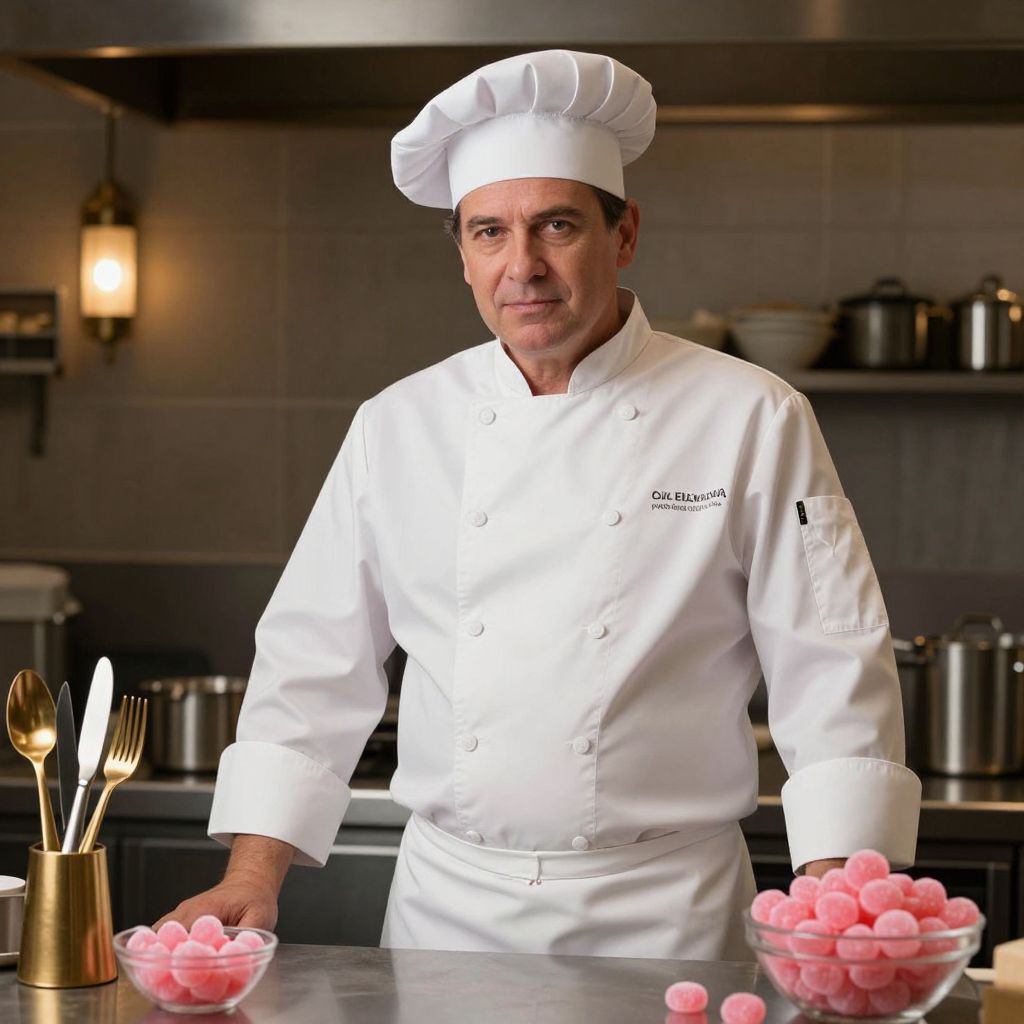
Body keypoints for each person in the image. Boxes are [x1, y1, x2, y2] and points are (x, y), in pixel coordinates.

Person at [158, 50, 921, 960]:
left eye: (556, 225)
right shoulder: (397, 425)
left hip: (667, 912)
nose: (523, 266)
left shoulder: (751, 414)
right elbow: (312, 663)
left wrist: (839, 897)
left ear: (624, 233)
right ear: (462, 255)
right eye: (489, 232)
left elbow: (831, 664)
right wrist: (252, 874)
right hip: (448, 913)